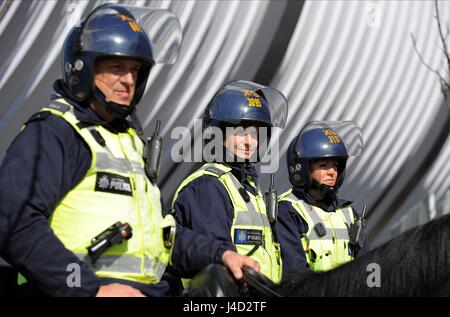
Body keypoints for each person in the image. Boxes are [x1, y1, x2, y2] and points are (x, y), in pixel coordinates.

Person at [0, 4, 185, 297]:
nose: (128, 80)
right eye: (116, 67)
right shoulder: (54, 132)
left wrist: (220, 254)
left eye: (135, 70)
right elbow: (14, 223)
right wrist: (90, 290)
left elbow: (160, 232)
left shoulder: (127, 141)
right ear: (82, 69)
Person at [170, 80, 292, 287]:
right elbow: (216, 260)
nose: (249, 142)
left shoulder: (247, 187)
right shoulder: (208, 186)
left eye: (254, 134)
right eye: (241, 132)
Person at [277, 122, 366, 272]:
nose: (332, 172)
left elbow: (365, 262)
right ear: (302, 168)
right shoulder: (288, 211)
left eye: (336, 165)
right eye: (323, 165)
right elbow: (295, 270)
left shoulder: (349, 213)